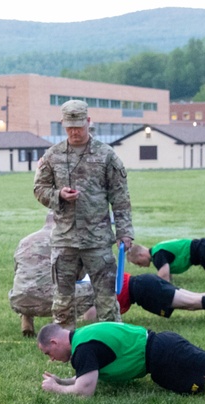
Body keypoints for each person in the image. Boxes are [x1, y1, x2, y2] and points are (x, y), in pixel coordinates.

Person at [9, 215, 205, 336]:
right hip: (143, 288)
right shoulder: (82, 275)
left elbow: (92, 313)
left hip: (145, 288)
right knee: (192, 302)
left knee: (193, 302)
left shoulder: (85, 285)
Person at [33, 99, 133, 328]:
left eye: (78, 126)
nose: (75, 132)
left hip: (97, 239)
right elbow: (39, 189)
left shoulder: (106, 156)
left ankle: (111, 341)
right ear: (62, 125)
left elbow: (120, 197)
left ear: (88, 122)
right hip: (64, 239)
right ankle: (64, 344)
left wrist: (125, 232)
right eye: (70, 128)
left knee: (106, 300)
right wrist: (58, 194)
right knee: (62, 300)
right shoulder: (53, 156)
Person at [37, 322, 205, 397]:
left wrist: (57, 388)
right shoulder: (83, 338)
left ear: (55, 342)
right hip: (162, 355)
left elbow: (85, 390)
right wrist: (63, 379)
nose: (52, 359)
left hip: (165, 354)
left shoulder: (83, 348)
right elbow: (86, 375)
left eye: (49, 353)